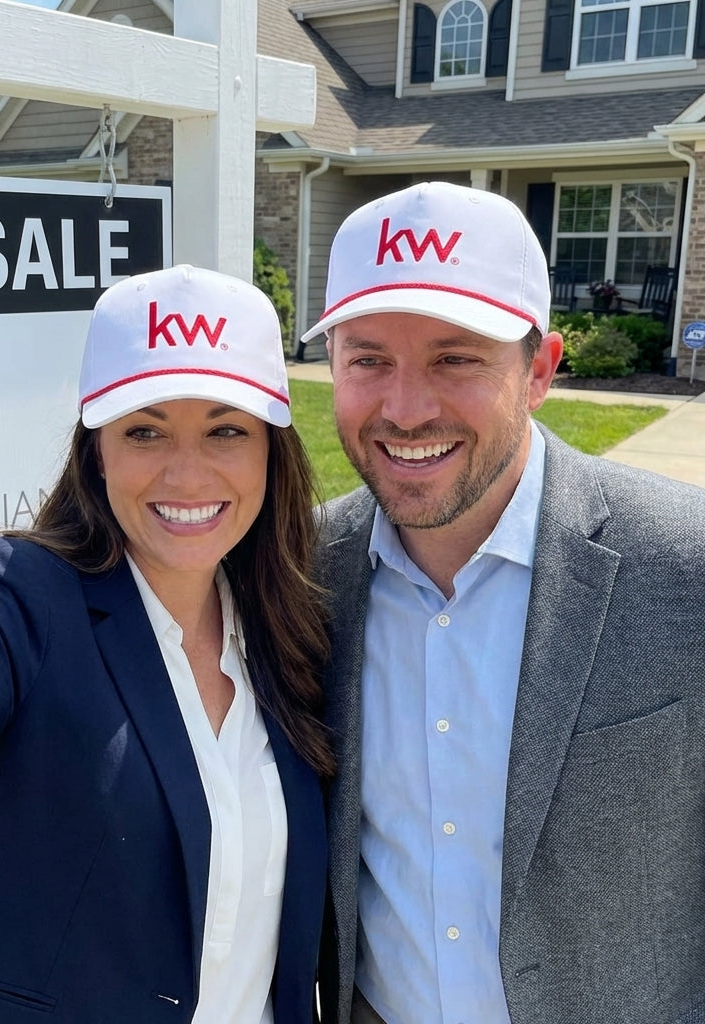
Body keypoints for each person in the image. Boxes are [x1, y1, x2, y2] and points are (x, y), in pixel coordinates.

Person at [0, 264, 333, 1023]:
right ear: (97, 449)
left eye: (226, 430)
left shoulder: (288, 622)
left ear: (271, 451)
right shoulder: (24, 599)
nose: (187, 471)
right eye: (144, 430)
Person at [300, 181, 705, 1024]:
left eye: (456, 359)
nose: (406, 410)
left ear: (541, 371)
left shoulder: (685, 566)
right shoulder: (300, 573)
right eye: (369, 358)